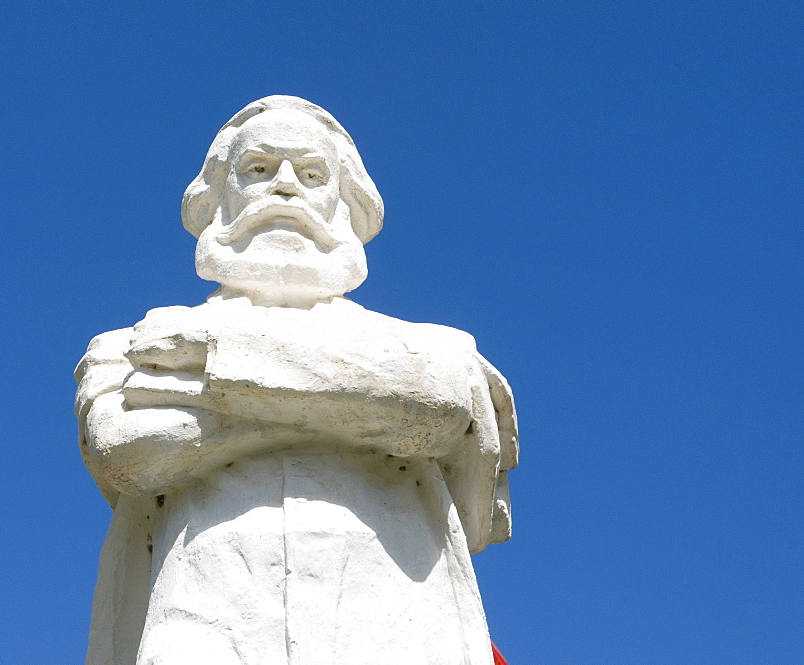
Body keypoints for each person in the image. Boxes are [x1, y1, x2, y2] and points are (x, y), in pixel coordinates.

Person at [74, 96, 518, 665]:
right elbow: (128, 450)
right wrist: (360, 410)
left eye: (311, 174)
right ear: (218, 196)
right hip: (203, 623)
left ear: (344, 202)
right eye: (258, 168)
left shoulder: (437, 348)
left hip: (393, 625)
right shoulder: (127, 344)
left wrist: (213, 368)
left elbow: (436, 405)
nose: (285, 188)